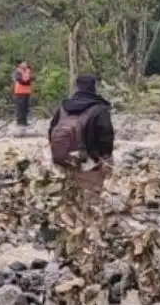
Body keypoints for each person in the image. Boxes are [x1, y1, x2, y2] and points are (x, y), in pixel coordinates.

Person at [48, 74, 115, 208]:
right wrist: (106, 157)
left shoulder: (64, 107)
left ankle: (70, 223)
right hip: (89, 161)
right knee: (91, 202)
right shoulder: (99, 109)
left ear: (77, 87)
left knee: (69, 200)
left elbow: (52, 129)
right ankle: (89, 224)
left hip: (63, 159)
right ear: (94, 88)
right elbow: (106, 135)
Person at [12, 61, 35, 129]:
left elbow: (33, 77)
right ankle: (20, 123)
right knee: (20, 108)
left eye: (25, 63)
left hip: (27, 92)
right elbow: (20, 80)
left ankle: (24, 122)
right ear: (20, 64)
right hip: (19, 93)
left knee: (25, 108)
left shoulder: (28, 70)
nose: (25, 64)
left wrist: (29, 80)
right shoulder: (17, 72)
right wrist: (28, 80)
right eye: (23, 63)